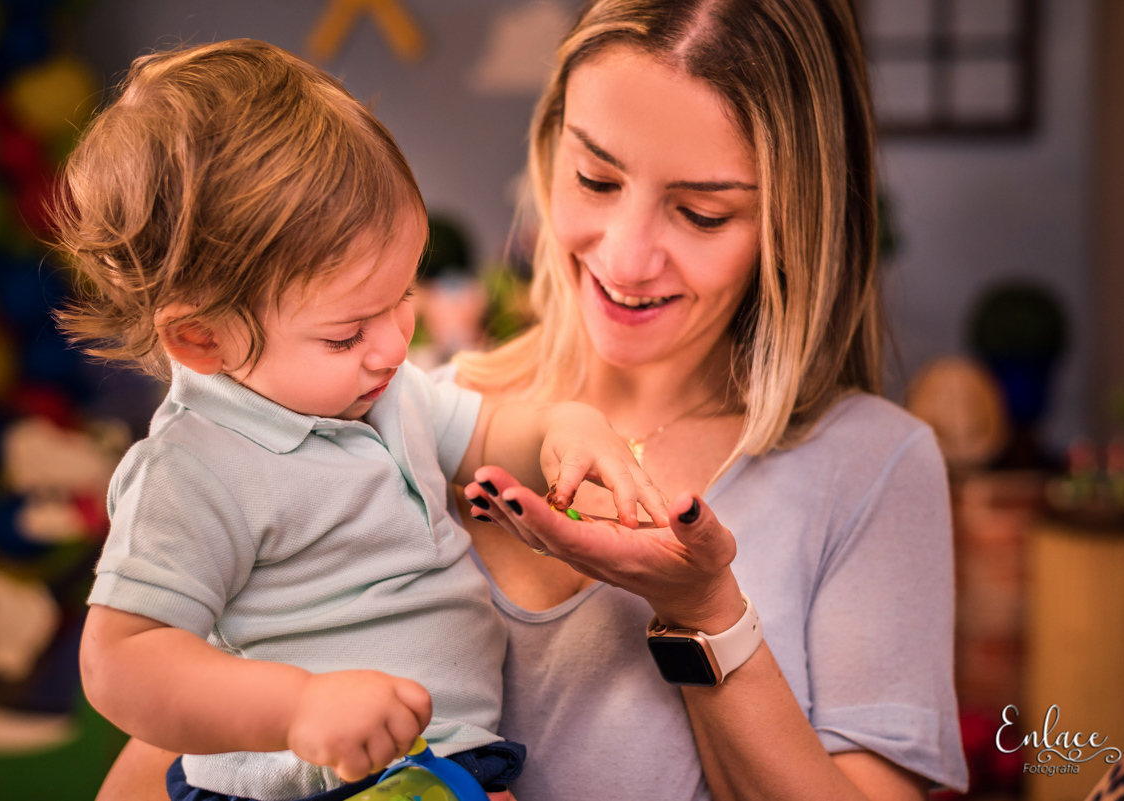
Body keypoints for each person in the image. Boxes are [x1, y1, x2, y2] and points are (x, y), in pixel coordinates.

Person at [98, 1, 970, 799]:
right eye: (595, 179)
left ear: (794, 216)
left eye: (702, 213)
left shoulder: (870, 466)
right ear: (550, 146)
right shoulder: (346, 410)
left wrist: (707, 615)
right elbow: (160, 747)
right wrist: (292, 706)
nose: (626, 259)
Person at [57, 40, 668, 801]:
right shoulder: (194, 469)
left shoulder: (383, 390)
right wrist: (297, 707)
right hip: (303, 782)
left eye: (402, 296)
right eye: (346, 332)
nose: (392, 342)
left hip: (437, 764)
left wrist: (561, 429)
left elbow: (485, 435)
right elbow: (120, 660)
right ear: (202, 338)